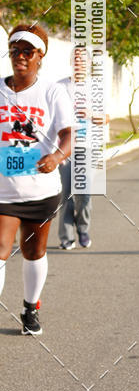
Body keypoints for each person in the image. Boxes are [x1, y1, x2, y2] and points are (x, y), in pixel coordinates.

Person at [0, 24, 72, 335]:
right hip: (3, 189)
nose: (21, 56)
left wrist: (57, 157)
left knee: (33, 251)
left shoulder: (52, 91)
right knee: (0, 247)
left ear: (39, 56)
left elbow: (69, 134)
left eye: (28, 52)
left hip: (41, 189)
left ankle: (31, 308)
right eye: (15, 50)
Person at [57, 47, 94, 250]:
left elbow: (106, 118)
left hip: (86, 146)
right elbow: (51, 120)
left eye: (83, 60)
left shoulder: (95, 88)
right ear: (71, 62)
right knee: (66, 194)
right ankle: (66, 236)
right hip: (65, 148)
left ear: (88, 64)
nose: (79, 62)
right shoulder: (59, 87)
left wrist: (91, 114)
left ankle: (83, 228)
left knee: (84, 194)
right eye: (76, 59)